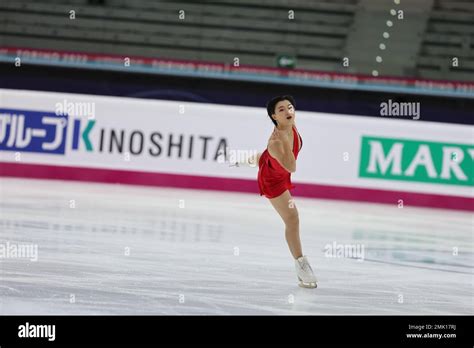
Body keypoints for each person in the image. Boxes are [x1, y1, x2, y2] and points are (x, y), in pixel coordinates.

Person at [237, 95, 317, 288]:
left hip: (273, 164)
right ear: (274, 116)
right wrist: (284, 141)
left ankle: (241, 157)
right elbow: (292, 167)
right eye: (281, 110)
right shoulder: (276, 142)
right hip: (273, 181)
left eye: (290, 107)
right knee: (292, 218)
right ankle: (301, 266)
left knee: (264, 159)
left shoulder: (291, 127)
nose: (288, 111)